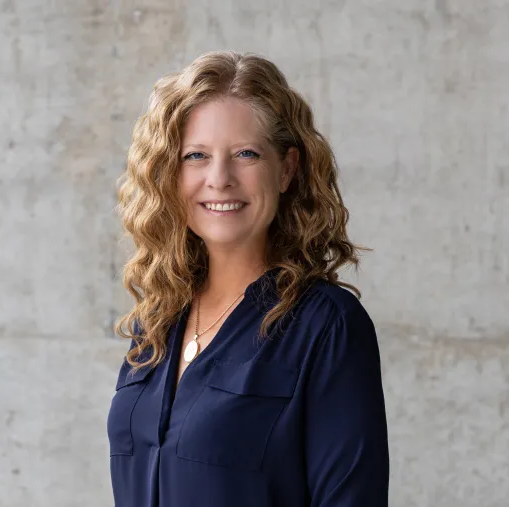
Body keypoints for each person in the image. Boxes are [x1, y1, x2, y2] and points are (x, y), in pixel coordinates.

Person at [107, 50, 389, 507]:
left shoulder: (326, 327)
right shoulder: (156, 323)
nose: (220, 178)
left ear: (288, 170)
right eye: (196, 155)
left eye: (246, 154)